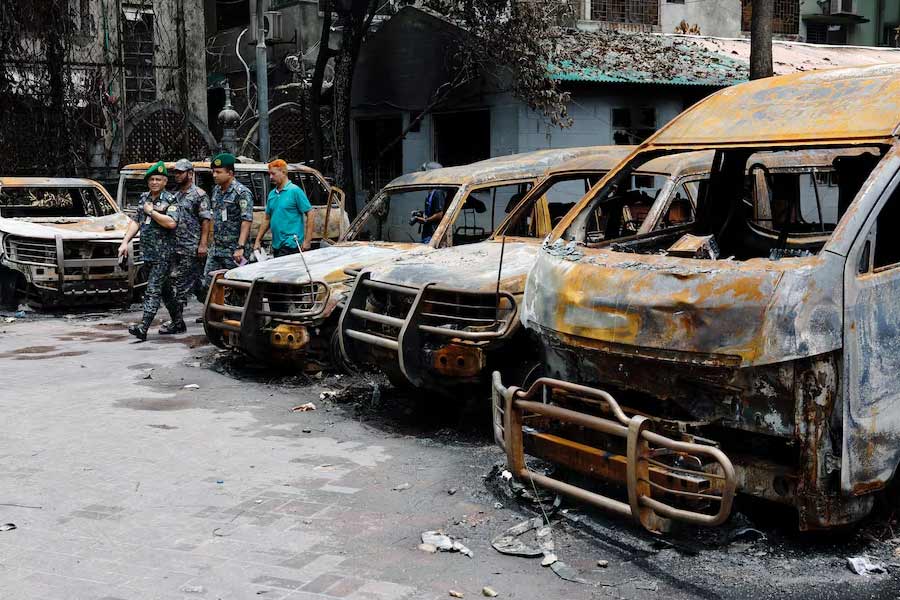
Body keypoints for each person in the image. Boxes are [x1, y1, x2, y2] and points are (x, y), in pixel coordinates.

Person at [118, 161, 181, 342]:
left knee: (153, 290)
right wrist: (125, 242)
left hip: (164, 255)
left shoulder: (170, 200)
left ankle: (143, 327)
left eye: (158, 179)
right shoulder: (144, 198)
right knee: (165, 290)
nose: (154, 182)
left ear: (164, 182)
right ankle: (178, 321)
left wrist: (152, 212)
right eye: (151, 179)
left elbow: (171, 223)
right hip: (148, 253)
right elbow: (136, 222)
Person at [160, 159, 208, 334]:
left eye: (181, 172)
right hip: (176, 247)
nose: (177, 175)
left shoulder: (199, 195)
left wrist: (203, 244)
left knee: (179, 285)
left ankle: (178, 323)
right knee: (196, 285)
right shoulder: (176, 195)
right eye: (176, 172)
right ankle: (214, 308)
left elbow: (205, 221)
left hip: (191, 247)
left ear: (190, 173)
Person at [199, 153, 254, 298]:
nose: (214, 175)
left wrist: (240, 247)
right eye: (213, 171)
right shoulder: (217, 190)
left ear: (230, 173)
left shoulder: (241, 193)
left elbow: (246, 220)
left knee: (238, 287)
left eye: (218, 172)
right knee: (209, 282)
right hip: (217, 248)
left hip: (234, 249)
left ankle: (241, 318)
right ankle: (215, 315)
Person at [253, 159, 313, 258]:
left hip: (292, 244)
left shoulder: (295, 191)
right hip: (277, 244)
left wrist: (307, 240)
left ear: (283, 172)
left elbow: (310, 213)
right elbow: (267, 218)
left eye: (273, 174)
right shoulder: (272, 194)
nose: (271, 177)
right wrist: (258, 240)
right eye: (270, 174)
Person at [413, 161, 445, 243]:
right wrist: (421, 214)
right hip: (427, 233)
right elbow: (433, 212)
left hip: (433, 234)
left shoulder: (438, 192)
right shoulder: (431, 192)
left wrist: (425, 220)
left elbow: (439, 214)